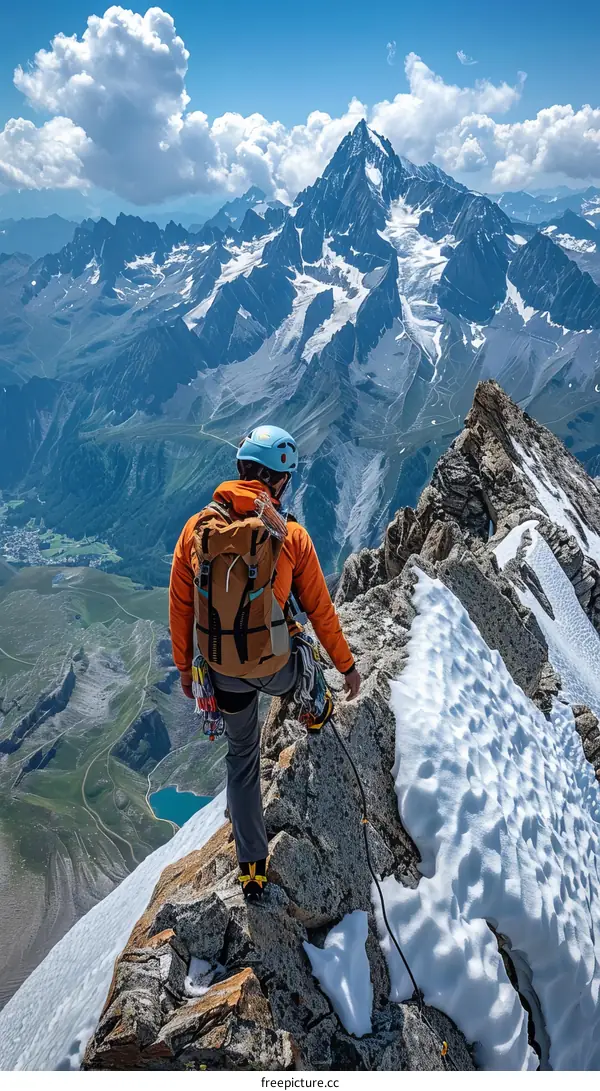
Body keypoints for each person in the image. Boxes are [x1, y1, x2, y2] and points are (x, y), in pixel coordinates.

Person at [169, 425, 360, 902]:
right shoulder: (289, 535)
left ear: (240, 470)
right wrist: (347, 665)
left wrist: (186, 674)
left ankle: (251, 867)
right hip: (275, 666)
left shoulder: (197, 530)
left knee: (242, 758)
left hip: (223, 672)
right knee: (303, 655)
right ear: (278, 481)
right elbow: (319, 609)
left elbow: (181, 607)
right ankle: (315, 708)